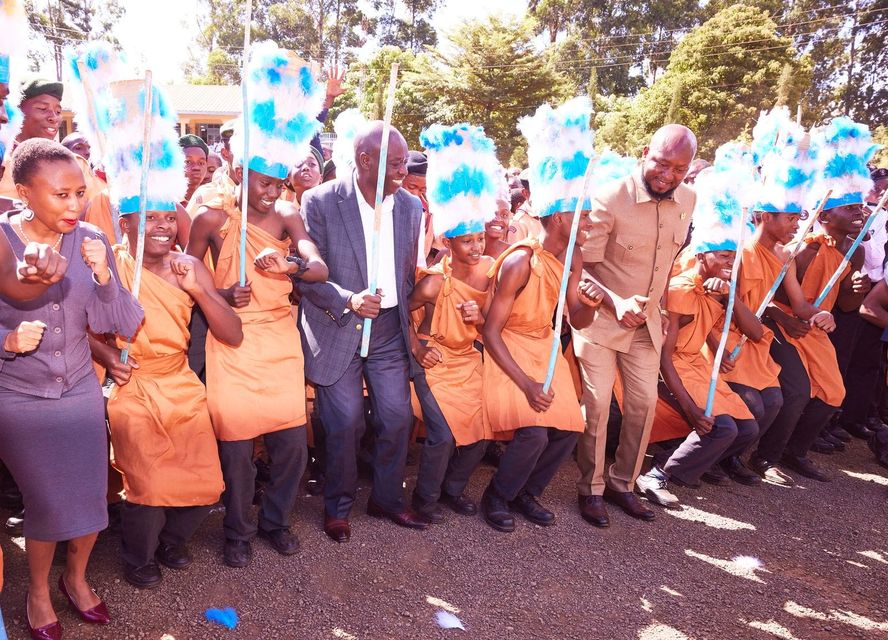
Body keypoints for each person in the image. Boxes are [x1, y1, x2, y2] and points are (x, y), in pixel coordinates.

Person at [87, 82, 238, 590]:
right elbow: (80, 330)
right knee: (146, 480)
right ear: (125, 222)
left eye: (167, 217)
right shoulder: (108, 264)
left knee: (202, 482)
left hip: (180, 381)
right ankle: (139, 557)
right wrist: (108, 352)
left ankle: (175, 543)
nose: (160, 228)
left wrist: (203, 288)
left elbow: (232, 333)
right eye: (147, 218)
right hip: (131, 388)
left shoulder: (187, 265)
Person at [187, 43, 328, 568]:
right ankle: (238, 532)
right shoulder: (211, 219)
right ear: (241, 173)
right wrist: (221, 295)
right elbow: (188, 276)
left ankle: (276, 521)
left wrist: (290, 266)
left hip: (279, 339)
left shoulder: (290, 214)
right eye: (262, 181)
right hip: (231, 339)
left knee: (291, 443)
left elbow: (318, 267)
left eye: (278, 182)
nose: (270, 192)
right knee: (238, 447)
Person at [0, 139, 143, 639]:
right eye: (60, 195)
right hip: (18, 399)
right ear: (23, 192)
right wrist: (8, 340)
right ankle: (38, 591)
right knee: (47, 502)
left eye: (80, 193)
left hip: (81, 391)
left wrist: (105, 276)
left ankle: (75, 580)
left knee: (90, 500)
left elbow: (124, 322)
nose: (74, 205)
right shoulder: (1, 241)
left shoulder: (90, 239)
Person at [479, 98, 604, 533]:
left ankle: (527, 493)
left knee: (568, 427)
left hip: (545, 348)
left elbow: (577, 322)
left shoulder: (576, 259)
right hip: (507, 353)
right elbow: (491, 333)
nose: (588, 221)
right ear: (558, 215)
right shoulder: (520, 261)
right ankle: (496, 496)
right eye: (582, 214)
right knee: (533, 431)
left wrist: (587, 303)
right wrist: (527, 383)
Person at [299, 120, 427, 543]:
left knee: (396, 417)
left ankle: (387, 499)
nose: (402, 173)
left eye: (404, 164)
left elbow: (406, 273)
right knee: (345, 422)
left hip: (388, 328)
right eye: (394, 165)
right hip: (337, 325)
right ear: (364, 160)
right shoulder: (319, 201)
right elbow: (303, 275)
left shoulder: (410, 207)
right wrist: (347, 299)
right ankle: (337, 507)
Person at [573, 124, 697, 527]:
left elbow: (667, 261)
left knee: (643, 405)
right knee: (596, 407)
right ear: (646, 152)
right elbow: (580, 269)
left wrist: (657, 304)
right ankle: (589, 489)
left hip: (646, 326)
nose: (668, 174)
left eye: (679, 168)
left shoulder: (689, 199)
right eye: (662, 163)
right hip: (600, 322)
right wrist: (614, 301)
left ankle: (622, 484)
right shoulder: (609, 198)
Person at [636, 144, 762, 508]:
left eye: (734, 257)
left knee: (748, 427)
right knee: (721, 426)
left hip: (699, 366)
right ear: (702, 254)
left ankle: (692, 460)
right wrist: (691, 408)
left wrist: (725, 303)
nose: (730, 263)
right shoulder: (678, 291)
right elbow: (665, 358)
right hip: (674, 368)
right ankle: (658, 474)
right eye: (723, 256)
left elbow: (716, 332)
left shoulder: (717, 290)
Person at [753, 117, 876, 482]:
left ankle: (795, 451)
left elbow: (847, 307)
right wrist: (788, 317)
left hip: (811, 326)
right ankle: (764, 457)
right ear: (824, 215)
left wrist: (856, 293)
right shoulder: (801, 250)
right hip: (779, 324)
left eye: (860, 207)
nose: (860, 213)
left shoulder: (853, 253)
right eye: (850, 208)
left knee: (834, 393)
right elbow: (766, 299)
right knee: (797, 391)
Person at [408, 124, 500, 522]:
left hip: (470, 362)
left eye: (480, 238)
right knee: (442, 437)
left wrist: (480, 318)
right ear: (448, 242)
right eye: (468, 241)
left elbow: (497, 322)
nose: (477, 247)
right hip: (437, 363)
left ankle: (452, 490)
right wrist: (417, 347)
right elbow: (403, 317)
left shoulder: (491, 272)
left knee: (481, 437)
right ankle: (424, 500)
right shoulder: (432, 282)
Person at [179, 134, 209, 207]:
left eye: (201, 163)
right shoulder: (166, 201)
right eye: (188, 162)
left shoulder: (212, 200)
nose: (196, 167)